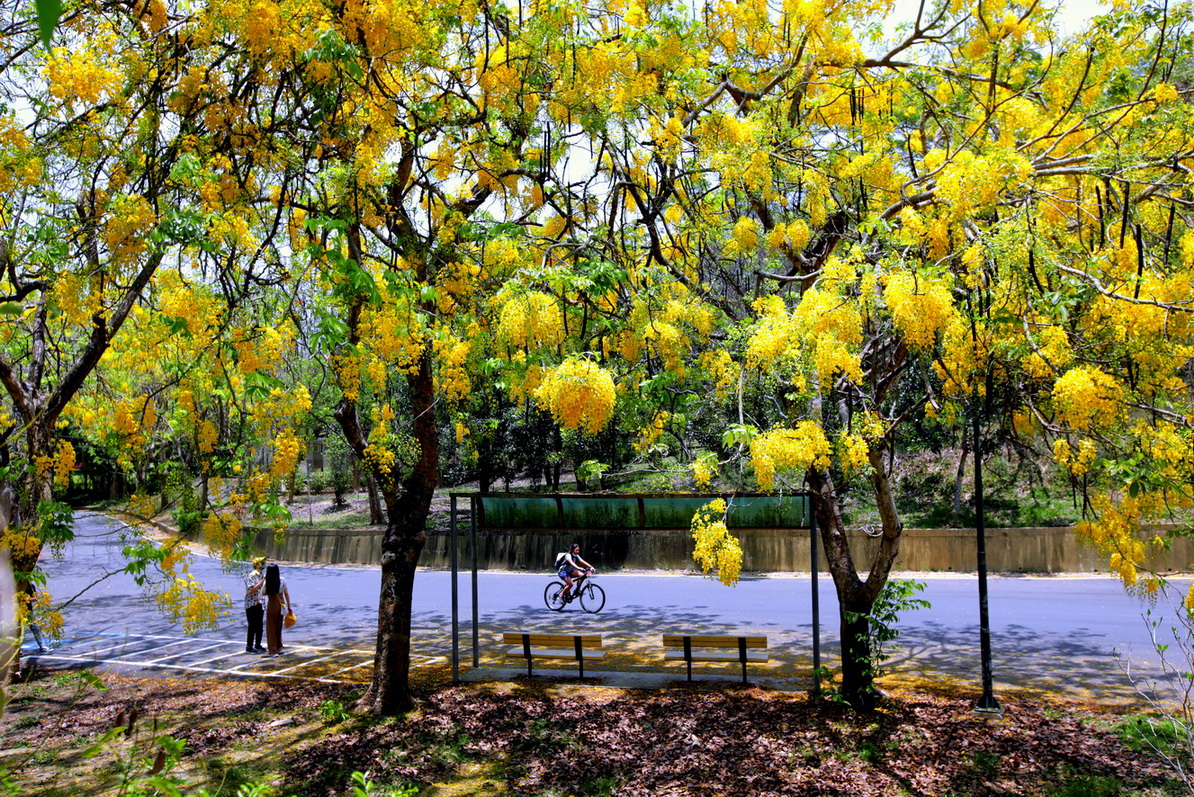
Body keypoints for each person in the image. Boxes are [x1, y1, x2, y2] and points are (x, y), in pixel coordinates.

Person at [263, 563, 292, 656]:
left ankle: (272, 650)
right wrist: (289, 606)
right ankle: (279, 647)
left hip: (272, 602)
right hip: (281, 602)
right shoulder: (282, 580)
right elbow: (286, 593)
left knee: (271, 626)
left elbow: (263, 593)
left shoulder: (268, 581)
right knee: (278, 626)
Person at [244, 556, 266, 653]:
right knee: (252, 625)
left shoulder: (262, 575)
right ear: (256, 565)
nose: (264, 565)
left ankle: (258, 644)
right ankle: (249, 646)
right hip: (251, 603)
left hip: (260, 602)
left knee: (259, 625)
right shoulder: (252, 575)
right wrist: (262, 582)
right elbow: (251, 590)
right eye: (262, 563)